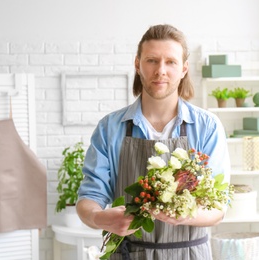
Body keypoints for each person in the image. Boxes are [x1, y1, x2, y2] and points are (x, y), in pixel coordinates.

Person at [76, 24, 231, 260]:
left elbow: (218, 208)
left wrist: (184, 215)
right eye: (152, 60)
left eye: (170, 62)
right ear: (137, 64)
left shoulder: (207, 127)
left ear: (184, 69)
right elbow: (89, 198)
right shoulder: (110, 128)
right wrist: (100, 218)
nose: (161, 70)